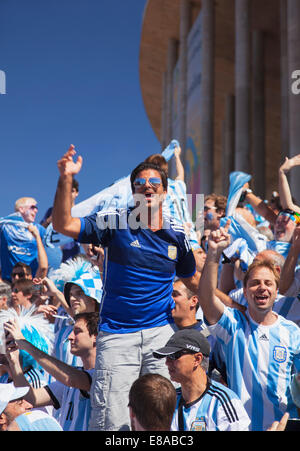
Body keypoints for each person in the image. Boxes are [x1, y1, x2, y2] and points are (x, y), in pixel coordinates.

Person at [51, 145, 199, 431]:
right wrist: (65, 178)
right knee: (113, 422)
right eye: (139, 184)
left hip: (159, 335)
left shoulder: (177, 235)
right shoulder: (114, 222)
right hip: (118, 336)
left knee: (161, 420)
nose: (146, 187)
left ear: (165, 193)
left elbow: (192, 279)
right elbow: (63, 223)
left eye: (154, 183)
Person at [197, 222, 300, 430]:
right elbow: (206, 299)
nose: (262, 287)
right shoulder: (234, 324)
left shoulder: (292, 332)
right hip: (242, 426)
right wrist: (214, 254)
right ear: (244, 292)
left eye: (268, 283)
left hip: (282, 425)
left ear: (276, 290)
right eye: (254, 283)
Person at [4, 312, 98, 431]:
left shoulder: (100, 375)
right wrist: (14, 362)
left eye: (77, 331)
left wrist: (25, 343)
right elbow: (32, 398)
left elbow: (72, 379)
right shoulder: (72, 379)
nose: (70, 336)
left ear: (96, 336)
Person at [153, 329, 250, 431]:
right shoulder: (169, 401)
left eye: (173, 356)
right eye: (167, 357)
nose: (167, 363)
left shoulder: (223, 402)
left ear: (197, 359)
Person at [144, 145, 199, 250]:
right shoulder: (177, 186)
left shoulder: (154, 190)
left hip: (173, 237)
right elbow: (181, 174)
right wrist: (177, 156)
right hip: (191, 235)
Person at [0, 197, 48, 282]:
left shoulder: (38, 229)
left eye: (36, 208)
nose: (36, 210)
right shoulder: (4, 225)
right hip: (9, 282)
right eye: (33, 207)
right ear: (21, 209)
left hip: (30, 282)